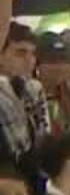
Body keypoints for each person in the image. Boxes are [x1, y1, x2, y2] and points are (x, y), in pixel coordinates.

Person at [0, 23, 49, 174]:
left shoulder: (33, 89)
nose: (30, 60)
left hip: (34, 177)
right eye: (20, 53)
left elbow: (44, 138)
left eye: (32, 53)